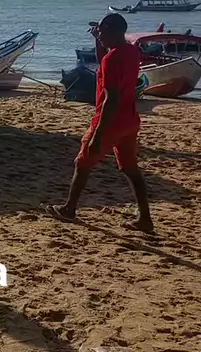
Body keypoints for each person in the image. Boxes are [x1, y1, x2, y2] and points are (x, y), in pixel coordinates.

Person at [46, 13, 153, 234]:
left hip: (111, 121)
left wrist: (98, 134)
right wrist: (98, 41)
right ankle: (145, 219)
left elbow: (110, 99)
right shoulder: (131, 51)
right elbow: (106, 61)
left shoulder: (112, 59)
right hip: (130, 119)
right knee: (131, 169)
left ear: (114, 31)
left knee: (82, 164)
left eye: (102, 31)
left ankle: (69, 209)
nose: (100, 34)